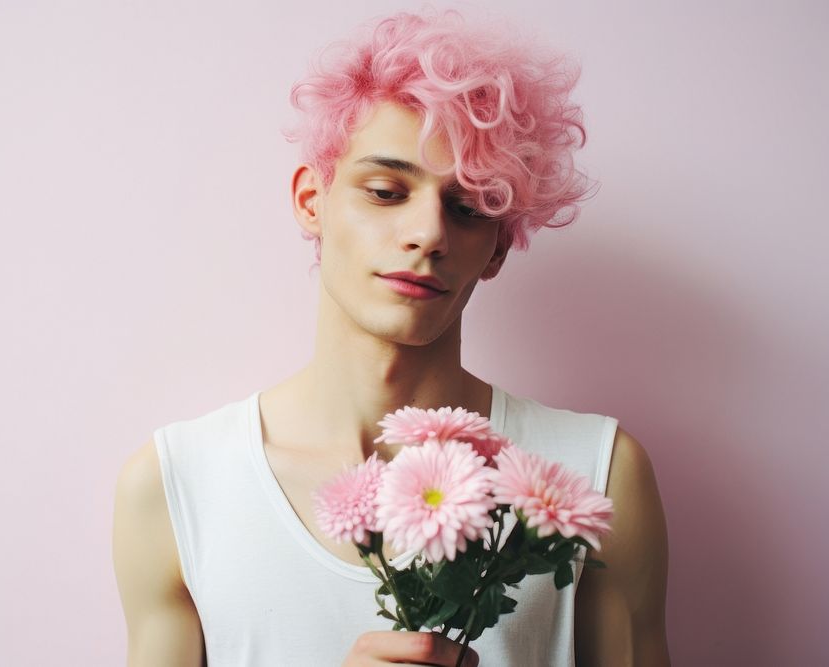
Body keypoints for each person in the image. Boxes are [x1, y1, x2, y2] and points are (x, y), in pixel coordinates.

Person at [112, 8, 670, 666]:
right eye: (384, 191)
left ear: (497, 248)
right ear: (311, 200)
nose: (428, 232)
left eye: (468, 208)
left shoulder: (597, 476)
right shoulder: (180, 483)